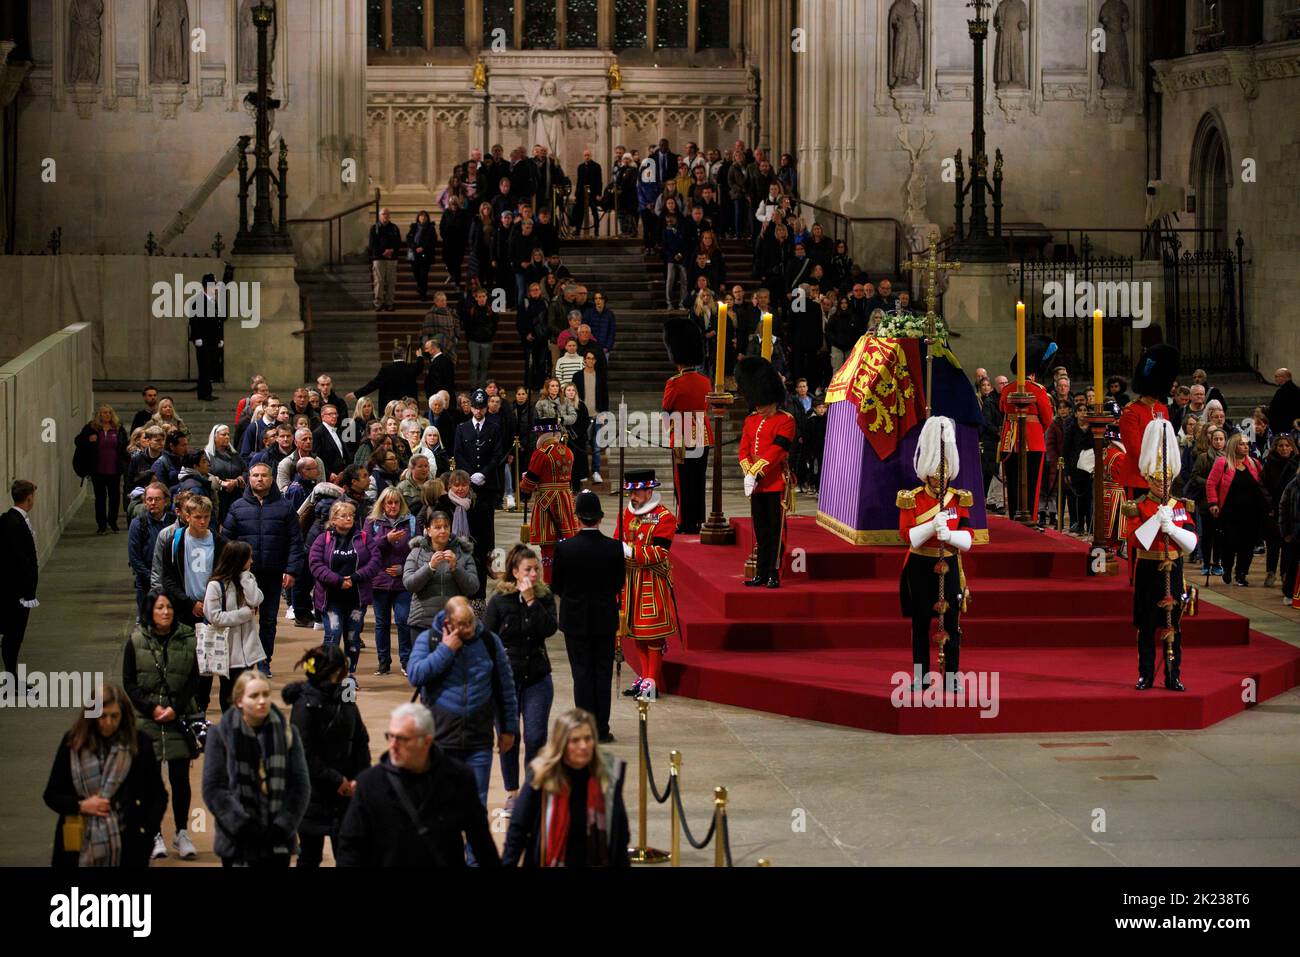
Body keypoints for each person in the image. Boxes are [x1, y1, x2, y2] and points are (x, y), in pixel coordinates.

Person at [337, 701, 499, 867]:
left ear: (426, 742)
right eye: (391, 736)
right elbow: (350, 847)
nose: (393, 746)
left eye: (402, 739)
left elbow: (481, 841)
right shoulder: (370, 783)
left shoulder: (457, 778)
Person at [407, 595, 518, 835]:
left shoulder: (489, 641)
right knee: (441, 810)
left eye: (470, 623)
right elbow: (415, 675)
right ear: (447, 621)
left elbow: (505, 688)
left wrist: (508, 729)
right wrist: (446, 650)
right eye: (461, 625)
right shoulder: (430, 640)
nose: (468, 629)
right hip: (440, 741)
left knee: (475, 810)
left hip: (479, 741)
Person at [43, 683, 168, 868]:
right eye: (102, 716)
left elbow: (158, 796)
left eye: (114, 716)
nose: (108, 722)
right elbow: (51, 795)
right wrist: (81, 805)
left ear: (123, 716)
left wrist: (145, 834)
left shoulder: (140, 745)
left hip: (128, 848)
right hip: (78, 848)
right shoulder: (72, 744)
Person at [202, 670, 311, 867]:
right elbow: (214, 788)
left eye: (266, 694)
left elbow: (300, 786)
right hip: (237, 841)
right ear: (239, 702)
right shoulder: (220, 735)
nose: (262, 701)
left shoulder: (288, 733)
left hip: (277, 841)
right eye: (254, 696)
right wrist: (241, 825)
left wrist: (282, 826)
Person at [122, 589, 200, 861]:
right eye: (159, 608)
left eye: (168, 607)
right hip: (147, 719)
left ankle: (181, 832)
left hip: (178, 717)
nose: (165, 612)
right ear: (149, 611)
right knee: (150, 780)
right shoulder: (135, 641)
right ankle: (154, 833)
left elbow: (194, 680)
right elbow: (129, 683)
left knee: (180, 778)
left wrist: (174, 709)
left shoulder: (188, 639)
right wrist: (152, 708)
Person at [897, 417, 974, 687]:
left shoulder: (957, 498)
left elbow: (968, 537)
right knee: (920, 623)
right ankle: (921, 676)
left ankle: (952, 675)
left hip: (950, 563)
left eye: (944, 476)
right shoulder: (912, 498)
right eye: (935, 475)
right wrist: (932, 526)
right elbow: (908, 535)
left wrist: (950, 534)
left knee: (951, 623)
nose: (940, 481)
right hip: (920, 565)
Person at [1121, 420, 1198, 691]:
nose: (1162, 485)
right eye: (1157, 480)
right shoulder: (1137, 507)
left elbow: (1190, 543)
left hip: (1173, 568)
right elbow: (1135, 540)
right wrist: (1156, 521)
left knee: (1173, 625)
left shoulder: (1179, 506)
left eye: (1166, 480)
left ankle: (1172, 674)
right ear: (1148, 480)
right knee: (1146, 624)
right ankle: (1145, 674)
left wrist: (1172, 528)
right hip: (1147, 569)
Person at [502, 707, 630, 867]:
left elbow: (620, 836)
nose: (583, 746)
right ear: (561, 744)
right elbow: (518, 829)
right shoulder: (541, 775)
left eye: (588, 738)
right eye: (575, 740)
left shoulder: (608, 776)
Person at [484, 544, 557, 814]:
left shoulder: (544, 597)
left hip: (538, 676)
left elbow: (549, 629)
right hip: (506, 681)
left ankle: (532, 790)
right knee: (508, 738)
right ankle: (513, 792)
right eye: (528, 569)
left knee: (536, 737)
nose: (534, 574)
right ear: (514, 572)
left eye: (536, 569)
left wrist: (530, 601)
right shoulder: (499, 601)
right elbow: (485, 639)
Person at [283, 645, 370, 867]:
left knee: (349, 855)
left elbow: (361, 740)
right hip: (312, 796)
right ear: (334, 671)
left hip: (346, 794)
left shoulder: (345, 699)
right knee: (311, 855)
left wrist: (360, 778)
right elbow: (304, 754)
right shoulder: (304, 705)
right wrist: (336, 780)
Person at [551, 491, 624, 742]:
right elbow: (618, 583)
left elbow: (556, 586)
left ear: (577, 517)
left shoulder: (565, 549)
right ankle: (601, 729)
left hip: (575, 619)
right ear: (600, 518)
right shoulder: (614, 548)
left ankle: (584, 729)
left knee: (581, 674)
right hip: (604, 618)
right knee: (602, 674)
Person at [222, 462, 304, 677]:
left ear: (272, 478)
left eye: (264, 475)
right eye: (255, 475)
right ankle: (242, 662)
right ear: (249, 479)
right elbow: (227, 543)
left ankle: (263, 660)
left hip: (273, 573)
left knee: (268, 621)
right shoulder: (237, 507)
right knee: (241, 619)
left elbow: (295, 542)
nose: (259, 479)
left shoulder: (285, 507)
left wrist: (292, 570)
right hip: (243, 576)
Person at [615, 469, 678, 700]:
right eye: (630, 491)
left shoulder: (664, 517)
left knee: (652, 633)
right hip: (629, 580)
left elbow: (660, 552)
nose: (633, 495)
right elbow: (616, 540)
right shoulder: (627, 514)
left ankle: (652, 679)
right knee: (636, 633)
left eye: (637, 491)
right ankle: (644, 675)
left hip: (651, 581)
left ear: (649, 491)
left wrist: (630, 551)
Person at [736, 356, 797, 588]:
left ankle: (774, 572)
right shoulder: (751, 420)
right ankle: (760, 572)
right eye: (756, 404)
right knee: (760, 531)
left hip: (775, 484)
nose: (758, 408)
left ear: (772, 399)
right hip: (757, 485)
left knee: (775, 532)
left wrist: (755, 473)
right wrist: (748, 474)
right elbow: (743, 449)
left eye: (762, 404)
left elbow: (777, 451)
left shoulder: (786, 421)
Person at [309, 500, 380, 680]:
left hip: (356, 598)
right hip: (330, 598)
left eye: (351, 515)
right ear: (333, 519)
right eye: (344, 515)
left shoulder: (364, 538)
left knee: (352, 638)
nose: (349, 519)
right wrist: (338, 580)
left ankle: (350, 674)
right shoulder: (322, 539)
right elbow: (315, 564)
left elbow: (375, 561)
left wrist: (355, 577)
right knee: (333, 635)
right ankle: (328, 674)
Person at [662, 318, 714, 535]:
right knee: (698, 479)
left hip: (682, 436)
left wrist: (670, 429)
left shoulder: (674, 382)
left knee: (682, 482)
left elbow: (666, 410)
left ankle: (685, 522)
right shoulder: (705, 381)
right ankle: (697, 519)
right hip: (703, 434)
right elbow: (707, 407)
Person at [453, 389, 506, 601]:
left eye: (481, 408)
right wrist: (469, 475)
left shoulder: (494, 428)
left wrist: (483, 474)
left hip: (487, 486)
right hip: (468, 488)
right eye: (475, 407)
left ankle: (482, 586)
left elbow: (497, 454)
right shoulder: (461, 428)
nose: (478, 411)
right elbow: (458, 453)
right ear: (470, 408)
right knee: (468, 533)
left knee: (485, 535)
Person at [203, 540, 266, 713]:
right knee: (230, 695)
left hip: (248, 648)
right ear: (238, 559)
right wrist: (244, 614)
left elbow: (256, 600)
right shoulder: (215, 585)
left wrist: (245, 576)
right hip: (228, 650)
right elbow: (214, 616)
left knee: (247, 693)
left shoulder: (248, 578)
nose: (252, 561)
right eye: (248, 558)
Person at [998, 336, 1056, 523]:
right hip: (1033, 441)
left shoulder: (1007, 389)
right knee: (1032, 483)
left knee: (1013, 482)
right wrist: (1037, 431)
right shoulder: (1038, 390)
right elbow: (1047, 419)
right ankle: (1029, 517)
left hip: (1009, 441)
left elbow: (1002, 411)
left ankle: (1015, 516)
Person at [517, 419, 579, 581]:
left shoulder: (541, 453)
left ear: (540, 434)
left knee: (548, 546)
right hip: (566, 498)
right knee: (566, 541)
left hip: (547, 502)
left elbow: (529, 484)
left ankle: (550, 580)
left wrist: (523, 482)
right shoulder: (568, 451)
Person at [403, 508, 479, 640]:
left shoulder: (463, 553)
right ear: (428, 530)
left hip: (455, 622)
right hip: (422, 622)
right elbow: (409, 584)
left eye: (446, 527)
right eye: (437, 527)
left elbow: (473, 587)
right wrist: (430, 567)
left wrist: (456, 568)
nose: (443, 531)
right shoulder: (416, 553)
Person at [366, 488, 417, 676]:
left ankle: (406, 660)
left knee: (404, 620)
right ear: (383, 504)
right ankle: (383, 662)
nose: (393, 506)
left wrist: (403, 568)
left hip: (403, 581)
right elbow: (366, 549)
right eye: (389, 503)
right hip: (379, 581)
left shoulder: (411, 522)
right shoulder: (372, 522)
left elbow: (417, 551)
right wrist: (385, 539)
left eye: (396, 502)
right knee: (382, 623)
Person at [1116, 345, 1177, 498]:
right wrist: (1154, 470)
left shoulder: (1162, 408)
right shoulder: (1131, 411)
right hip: (1138, 477)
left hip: (1161, 478)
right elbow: (1134, 449)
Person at [158, 495, 228, 630]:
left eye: (206, 517)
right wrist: (189, 604)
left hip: (213, 608)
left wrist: (211, 602)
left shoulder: (221, 543)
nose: (202, 521)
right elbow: (168, 578)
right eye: (197, 517)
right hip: (184, 608)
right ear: (187, 517)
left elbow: (225, 576)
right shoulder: (174, 543)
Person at [1208, 433, 1267, 587]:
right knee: (1229, 544)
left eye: (1247, 444)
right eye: (1242, 444)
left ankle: (1241, 573)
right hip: (1229, 511)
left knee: (1248, 545)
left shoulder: (1254, 463)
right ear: (1234, 445)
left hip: (1251, 513)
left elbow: (1262, 486)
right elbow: (1211, 484)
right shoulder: (1223, 463)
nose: (1245, 447)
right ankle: (1227, 568)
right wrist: (1213, 503)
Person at [75, 404, 129, 534]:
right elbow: (78, 441)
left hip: (114, 468)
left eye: (109, 413)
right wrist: (88, 440)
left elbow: (124, 446)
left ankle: (113, 522)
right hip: (97, 469)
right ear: (99, 415)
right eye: (104, 413)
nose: (107, 415)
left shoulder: (118, 428)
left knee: (114, 496)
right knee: (100, 497)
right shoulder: (91, 428)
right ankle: (101, 524)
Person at [1185, 426, 1228, 576]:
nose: (1218, 441)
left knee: (1220, 534)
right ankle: (1206, 562)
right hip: (1206, 500)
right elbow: (1194, 477)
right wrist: (1211, 482)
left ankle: (1217, 562)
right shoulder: (1204, 457)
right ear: (1211, 440)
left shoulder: (1229, 458)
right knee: (1207, 534)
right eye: (1215, 438)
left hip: (1223, 501)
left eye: (1221, 439)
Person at [128, 483, 174, 621]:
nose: (153, 503)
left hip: (171, 583)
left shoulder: (173, 522)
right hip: (146, 584)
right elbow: (135, 558)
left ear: (166, 501)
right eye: (149, 499)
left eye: (157, 499)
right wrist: (153, 579)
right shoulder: (138, 524)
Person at [1261, 435, 1298, 590]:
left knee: (1288, 544)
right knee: (1273, 543)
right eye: (1281, 446)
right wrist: (1269, 506)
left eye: (1287, 446)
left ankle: (1285, 573)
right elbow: (1262, 487)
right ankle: (1271, 572)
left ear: (1292, 447)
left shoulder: (1296, 464)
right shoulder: (1269, 464)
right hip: (1272, 510)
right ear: (1276, 448)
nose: (1284, 449)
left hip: (1291, 511)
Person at [187, 274, 224, 401]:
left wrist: (220, 338)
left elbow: (217, 322)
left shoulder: (212, 300)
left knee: (210, 366)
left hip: (212, 340)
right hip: (203, 340)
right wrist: (197, 337)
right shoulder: (197, 300)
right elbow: (195, 321)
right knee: (204, 367)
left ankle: (207, 391)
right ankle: (203, 393)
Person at [369, 207, 401, 311]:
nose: (385, 216)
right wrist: (383, 252)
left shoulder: (394, 228)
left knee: (391, 282)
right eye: (383, 214)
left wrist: (391, 250)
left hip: (392, 258)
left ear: (389, 216)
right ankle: (378, 303)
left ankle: (389, 303)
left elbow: (398, 242)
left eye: (387, 214)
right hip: (379, 258)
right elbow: (372, 244)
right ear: (379, 216)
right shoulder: (374, 228)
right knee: (379, 281)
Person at [407, 210, 437, 301]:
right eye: (421, 216)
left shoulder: (431, 228)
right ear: (418, 218)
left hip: (425, 254)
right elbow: (409, 238)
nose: (423, 218)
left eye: (424, 216)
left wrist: (423, 248)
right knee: (415, 272)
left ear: (427, 218)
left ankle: (423, 294)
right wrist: (414, 247)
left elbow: (433, 241)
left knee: (423, 275)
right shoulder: (414, 227)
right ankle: (420, 286)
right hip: (414, 253)